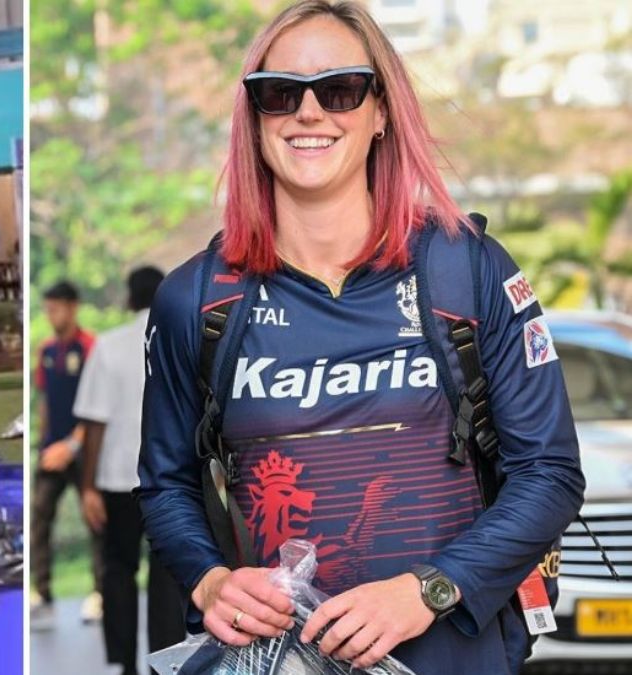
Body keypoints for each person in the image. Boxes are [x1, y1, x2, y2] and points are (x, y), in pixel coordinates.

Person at [138, 3, 586, 674]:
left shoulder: (468, 270)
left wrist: (427, 590)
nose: (308, 112)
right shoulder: (196, 300)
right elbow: (164, 483)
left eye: (340, 88)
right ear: (254, 117)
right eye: (279, 92)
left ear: (381, 111)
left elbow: (549, 473)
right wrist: (208, 580)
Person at [73, 267, 183, 675]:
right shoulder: (179, 341)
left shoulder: (108, 345)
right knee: (166, 577)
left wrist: (87, 488)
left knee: (118, 572)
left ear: (128, 299)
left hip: (118, 480)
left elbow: (94, 424)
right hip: (169, 480)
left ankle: (123, 663)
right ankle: (164, 664)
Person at [30, 280, 102, 629]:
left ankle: (100, 593)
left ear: (72, 307)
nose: (51, 314)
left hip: (84, 449)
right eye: (47, 308)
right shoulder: (45, 351)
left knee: (96, 520)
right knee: (38, 516)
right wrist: (45, 445)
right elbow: (44, 401)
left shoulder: (90, 348)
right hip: (51, 450)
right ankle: (41, 593)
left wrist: (72, 445)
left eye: (56, 307)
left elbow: (97, 406)